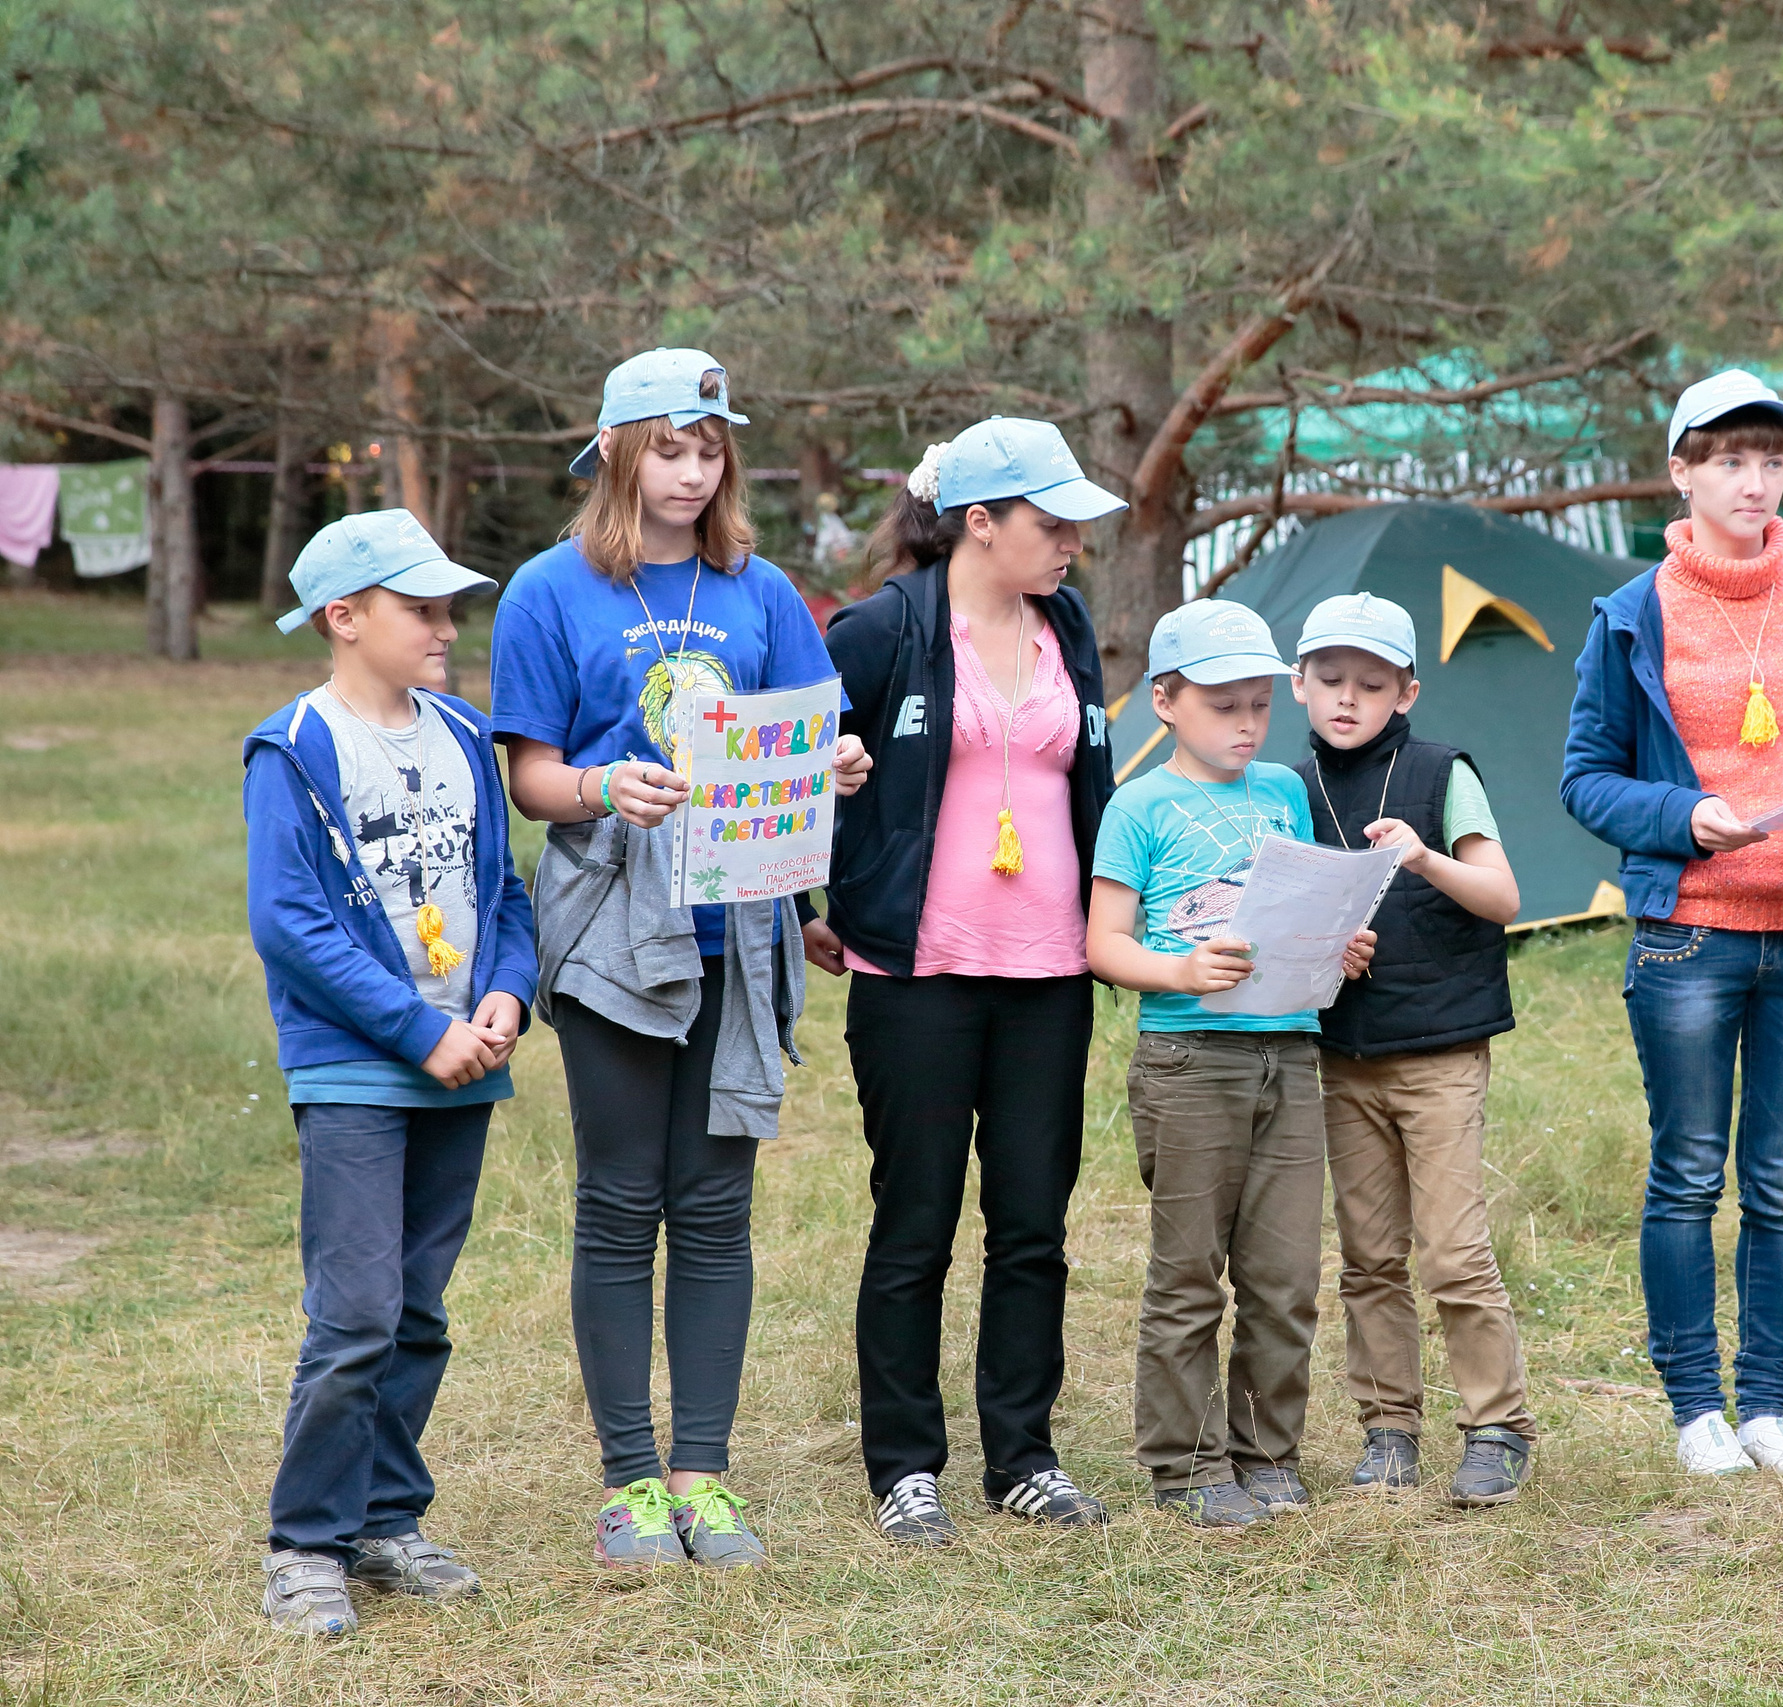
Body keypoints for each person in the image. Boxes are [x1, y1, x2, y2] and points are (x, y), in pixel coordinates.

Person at [488, 347, 871, 1566]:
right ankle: (630, 1484)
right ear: (614, 452)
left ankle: (703, 1476)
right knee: (619, 1204)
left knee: (714, 1208)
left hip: (737, 930)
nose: (694, 471)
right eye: (669, 448)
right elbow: (532, 777)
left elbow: (807, 738)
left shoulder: (760, 589)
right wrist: (606, 785)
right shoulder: (548, 590)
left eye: (710, 449)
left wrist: (835, 763)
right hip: (610, 928)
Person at [1561, 371, 1783, 1479]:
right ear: (1683, 473)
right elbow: (1585, 778)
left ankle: (1767, 1409)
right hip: (1690, 936)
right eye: (1731, 461)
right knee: (1688, 1174)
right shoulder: (1633, 612)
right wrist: (1684, 816)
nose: (1756, 483)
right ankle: (1696, 1410)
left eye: (1773, 462)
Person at [814, 418, 1124, 1544]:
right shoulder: (881, 629)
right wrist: (811, 904)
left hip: (1050, 973)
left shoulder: (1067, 624)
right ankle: (905, 1467)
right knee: (916, 1224)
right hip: (918, 976)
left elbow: (1088, 784)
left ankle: (1023, 1457)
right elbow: (784, 772)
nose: (1073, 543)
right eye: (1053, 522)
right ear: (979, 522)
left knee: (1033, 1224)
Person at [244, 510, 535, 1635]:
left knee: (417, 1310)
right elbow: (290, 924)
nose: (446, 626)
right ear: (345, 617)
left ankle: (383, 1518)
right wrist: (417, 1030)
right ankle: (305, 1543)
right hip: (358, 1070)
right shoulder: (293, 748)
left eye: (449, 607)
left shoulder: (463, 733)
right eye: (420, 609)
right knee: (356, 1312)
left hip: (466, 1061)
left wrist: (505, 992)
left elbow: (503, 890)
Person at [1086, 601, 1376, 1528]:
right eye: (1223, 706)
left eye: (1259, 704)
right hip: (1189, 1059)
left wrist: (1337, 946)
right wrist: (1179, 969)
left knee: (1285, 1276)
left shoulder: (1283, 791)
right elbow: (1103, 943)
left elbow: (1295, 907)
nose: (1246, 724)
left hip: (1288, 1051)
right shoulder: (1137, 804)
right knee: (1188, 1274)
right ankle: (1187, 1464)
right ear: (1165, 701)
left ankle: (1265, 1450)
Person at [1287, 593, 1537, 1506]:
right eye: (1330, 680)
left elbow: (1503, 897)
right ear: (1299, 684)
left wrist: (1425, 858)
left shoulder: (1441, 772)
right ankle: (1388, 1427)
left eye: (1371, 683)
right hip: (1341, 1052)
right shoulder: (1287, 788)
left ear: (1407, 692)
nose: (1348, 698)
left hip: (1439, 1052)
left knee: (1455, 1251)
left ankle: (1498, 1426)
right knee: (1367, 1256)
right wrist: (1328, 951)